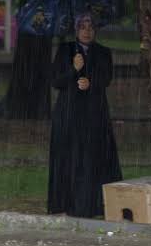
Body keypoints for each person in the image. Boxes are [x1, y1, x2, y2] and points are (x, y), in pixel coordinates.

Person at [47, 13, 122, 218]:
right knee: (70, 158)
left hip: (94, 113)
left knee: (92, 158)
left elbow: (106, 78)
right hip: (69, 114)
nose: (87, 31)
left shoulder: (103, 52)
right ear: (76, 30)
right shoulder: (65, 50)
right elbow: (56, 82)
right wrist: (74, 69)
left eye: (90, 27)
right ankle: (66, 202)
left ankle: (92, 204)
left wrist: (91, 82)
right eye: (82, 27)